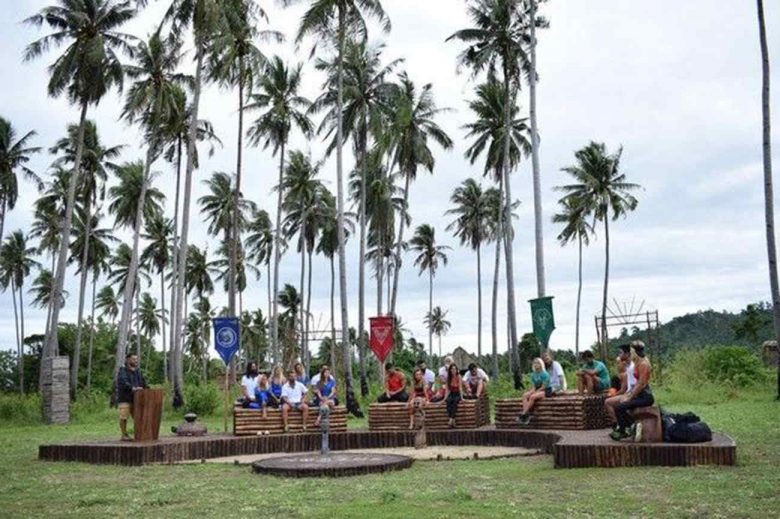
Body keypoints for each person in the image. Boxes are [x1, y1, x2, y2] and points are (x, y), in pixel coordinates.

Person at [611, 341, 654, 441]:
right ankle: (629, 427)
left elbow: (641, 384)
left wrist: (630, 397)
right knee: (619, 406)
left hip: (645, 396)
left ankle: (629, 427)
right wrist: (629, 395)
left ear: (634, 351)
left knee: (619, 407)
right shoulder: (638, 362)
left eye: (631, 351)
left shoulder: (644, 363)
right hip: (639, 395)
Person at [116, 353, 148, 441]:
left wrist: (147, 389)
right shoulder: (123, 371)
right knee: (124, 417)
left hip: (137, 399)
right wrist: (133, 388)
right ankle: (124, 434)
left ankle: (139, 434)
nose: (136, 361)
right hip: (125, 398)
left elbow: (143, 382)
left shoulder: (138, 372)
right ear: (128, 360)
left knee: (138, 417)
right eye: (133, 359)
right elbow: (123, 382)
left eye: (136, 359)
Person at [605, 344, 636, 425]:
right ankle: (619, 424)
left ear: (627, 354)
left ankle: (620, 424)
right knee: (609, 401)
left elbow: (634, 386)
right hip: (628, 393)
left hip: (632, 394)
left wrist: (628, 395)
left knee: (615, 404)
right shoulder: (622, 372)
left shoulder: (631, 368)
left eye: (620, 353)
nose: (618, 365)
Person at [517, 358, 551, 425]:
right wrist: (531, 391)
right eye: (535, 363)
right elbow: (534, 387)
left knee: (532, 397)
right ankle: (526, 414)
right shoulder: (533, 374)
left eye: (537, 363)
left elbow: (543, 387)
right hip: (537, 389)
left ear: (541, 364)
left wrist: (535, 392)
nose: (536, 364)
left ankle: (524, 413)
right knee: (525, 395)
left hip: (545, 390)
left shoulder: (545, 374)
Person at [444, 363, 463, 428]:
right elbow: (447, 389)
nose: (453, 370)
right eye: (452, 369)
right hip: (451, 393)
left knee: (455, 401)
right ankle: (453, 420)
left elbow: (460, 387)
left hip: (457, 393)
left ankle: (450, 419)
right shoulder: (448, 378)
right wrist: (445, 398)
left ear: (456, 370)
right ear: (450, 370)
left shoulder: (459, 376)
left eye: (455, 369)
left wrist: (462, 397)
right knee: (448, 401)